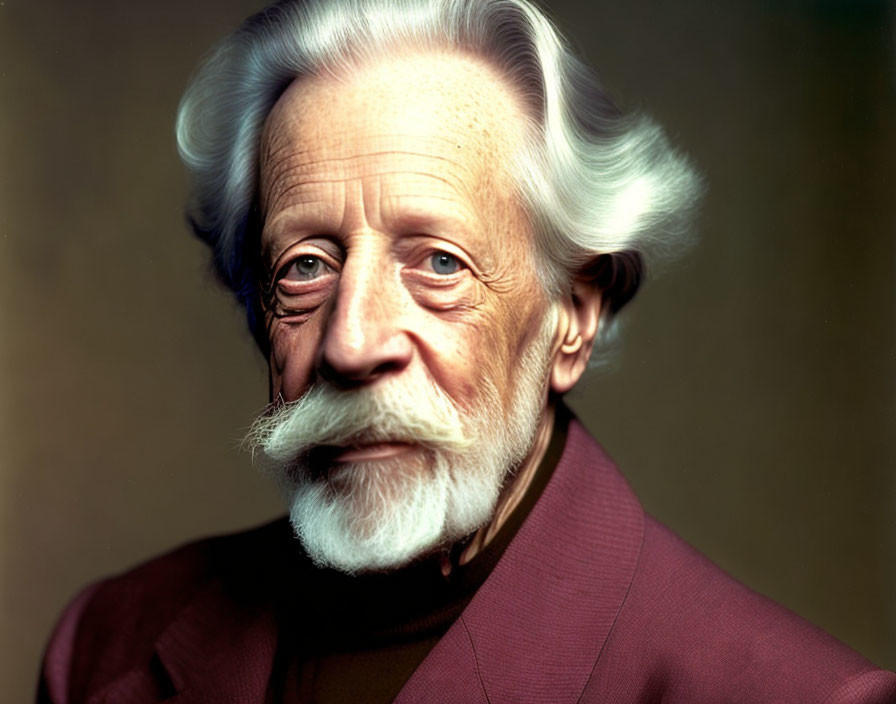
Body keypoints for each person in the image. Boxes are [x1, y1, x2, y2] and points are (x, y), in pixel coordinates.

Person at [36, 0, 896, 702]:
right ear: (259, 309)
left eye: (439, 263)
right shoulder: (102, 645)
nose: (352, 341)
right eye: (306, 267)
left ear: (574, 318)